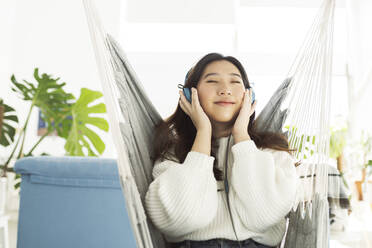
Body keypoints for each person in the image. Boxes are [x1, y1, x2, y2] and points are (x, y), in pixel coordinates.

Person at [145, 53, 298, 248]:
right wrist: (203, 132)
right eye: (212, 81)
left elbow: (262, 216)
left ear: (249, 95)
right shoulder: (173, 156)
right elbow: (180, 220)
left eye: (235, 82)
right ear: (190, 94)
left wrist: (242, 135)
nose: (225, 90)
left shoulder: (272, 152)